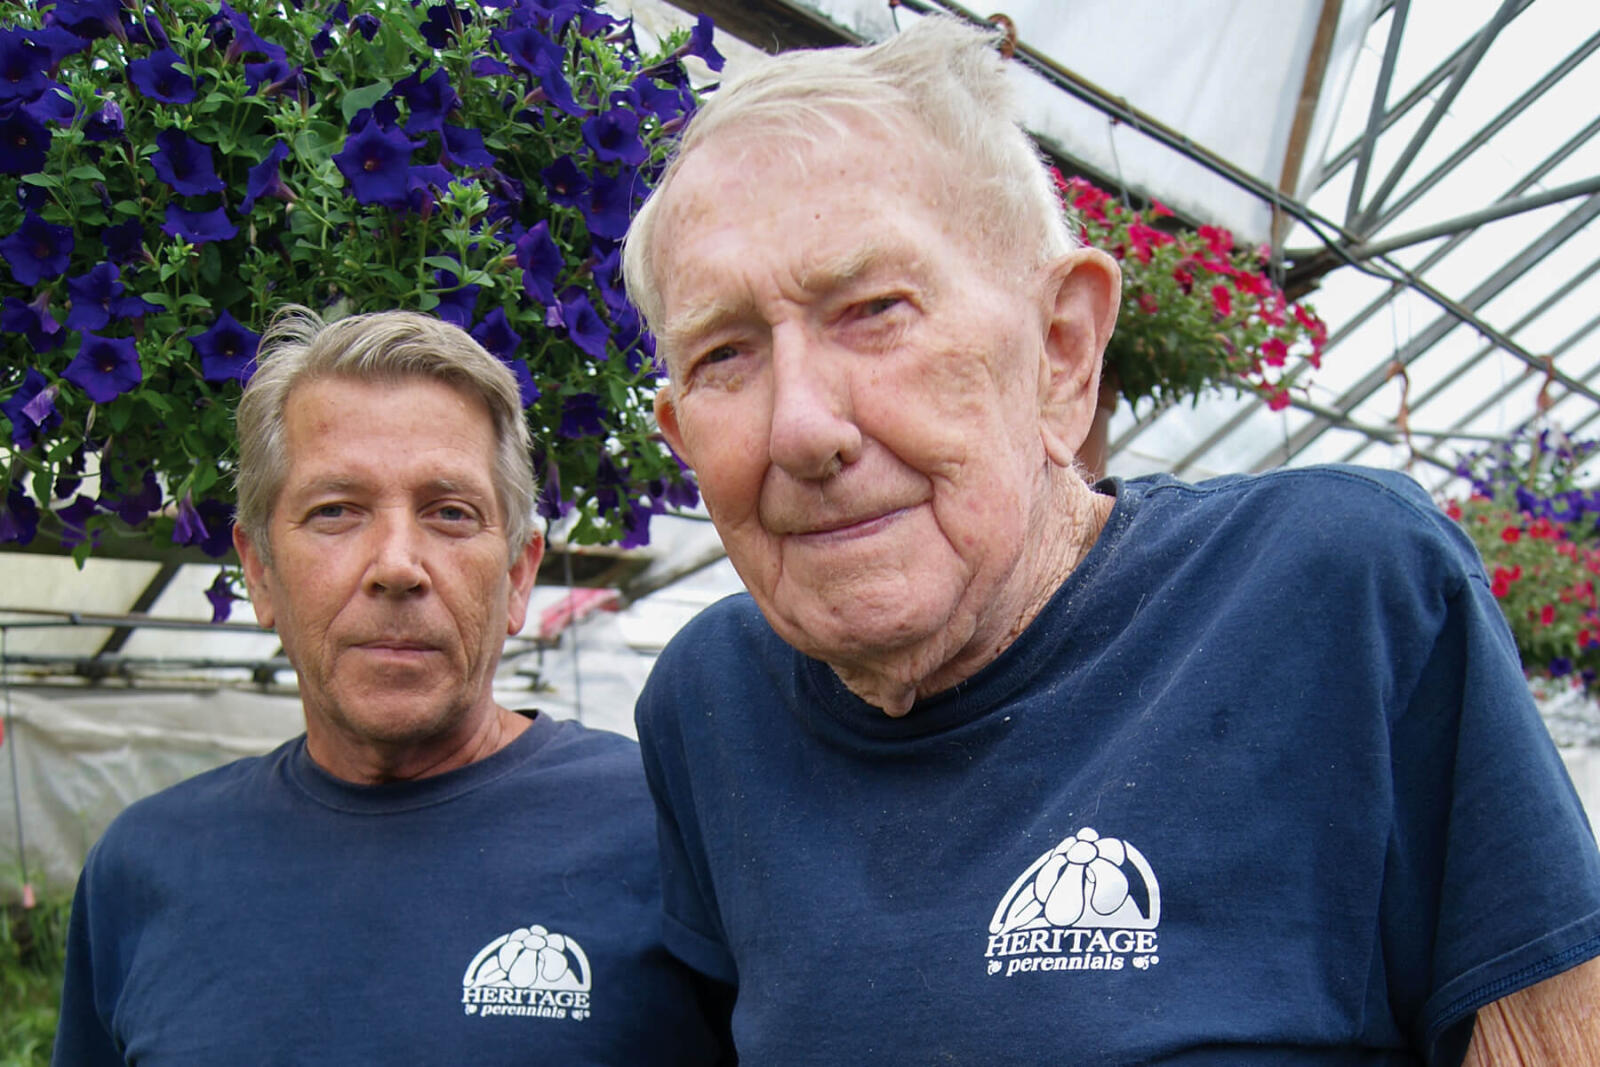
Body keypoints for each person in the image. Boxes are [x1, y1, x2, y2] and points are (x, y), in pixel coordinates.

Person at [619, 16, 1600, 1066]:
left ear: (1061, 351)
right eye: (725, 354)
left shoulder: (1337, 594)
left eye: (873, 309)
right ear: (679, 437)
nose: (802, 425)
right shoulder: (709, 705)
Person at [52, 310, 729, 1064]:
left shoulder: (675, 833)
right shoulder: (145, 867)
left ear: (517, 574)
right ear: (260, 570)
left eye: (449, 512)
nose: (397, 564)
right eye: (335, 510)